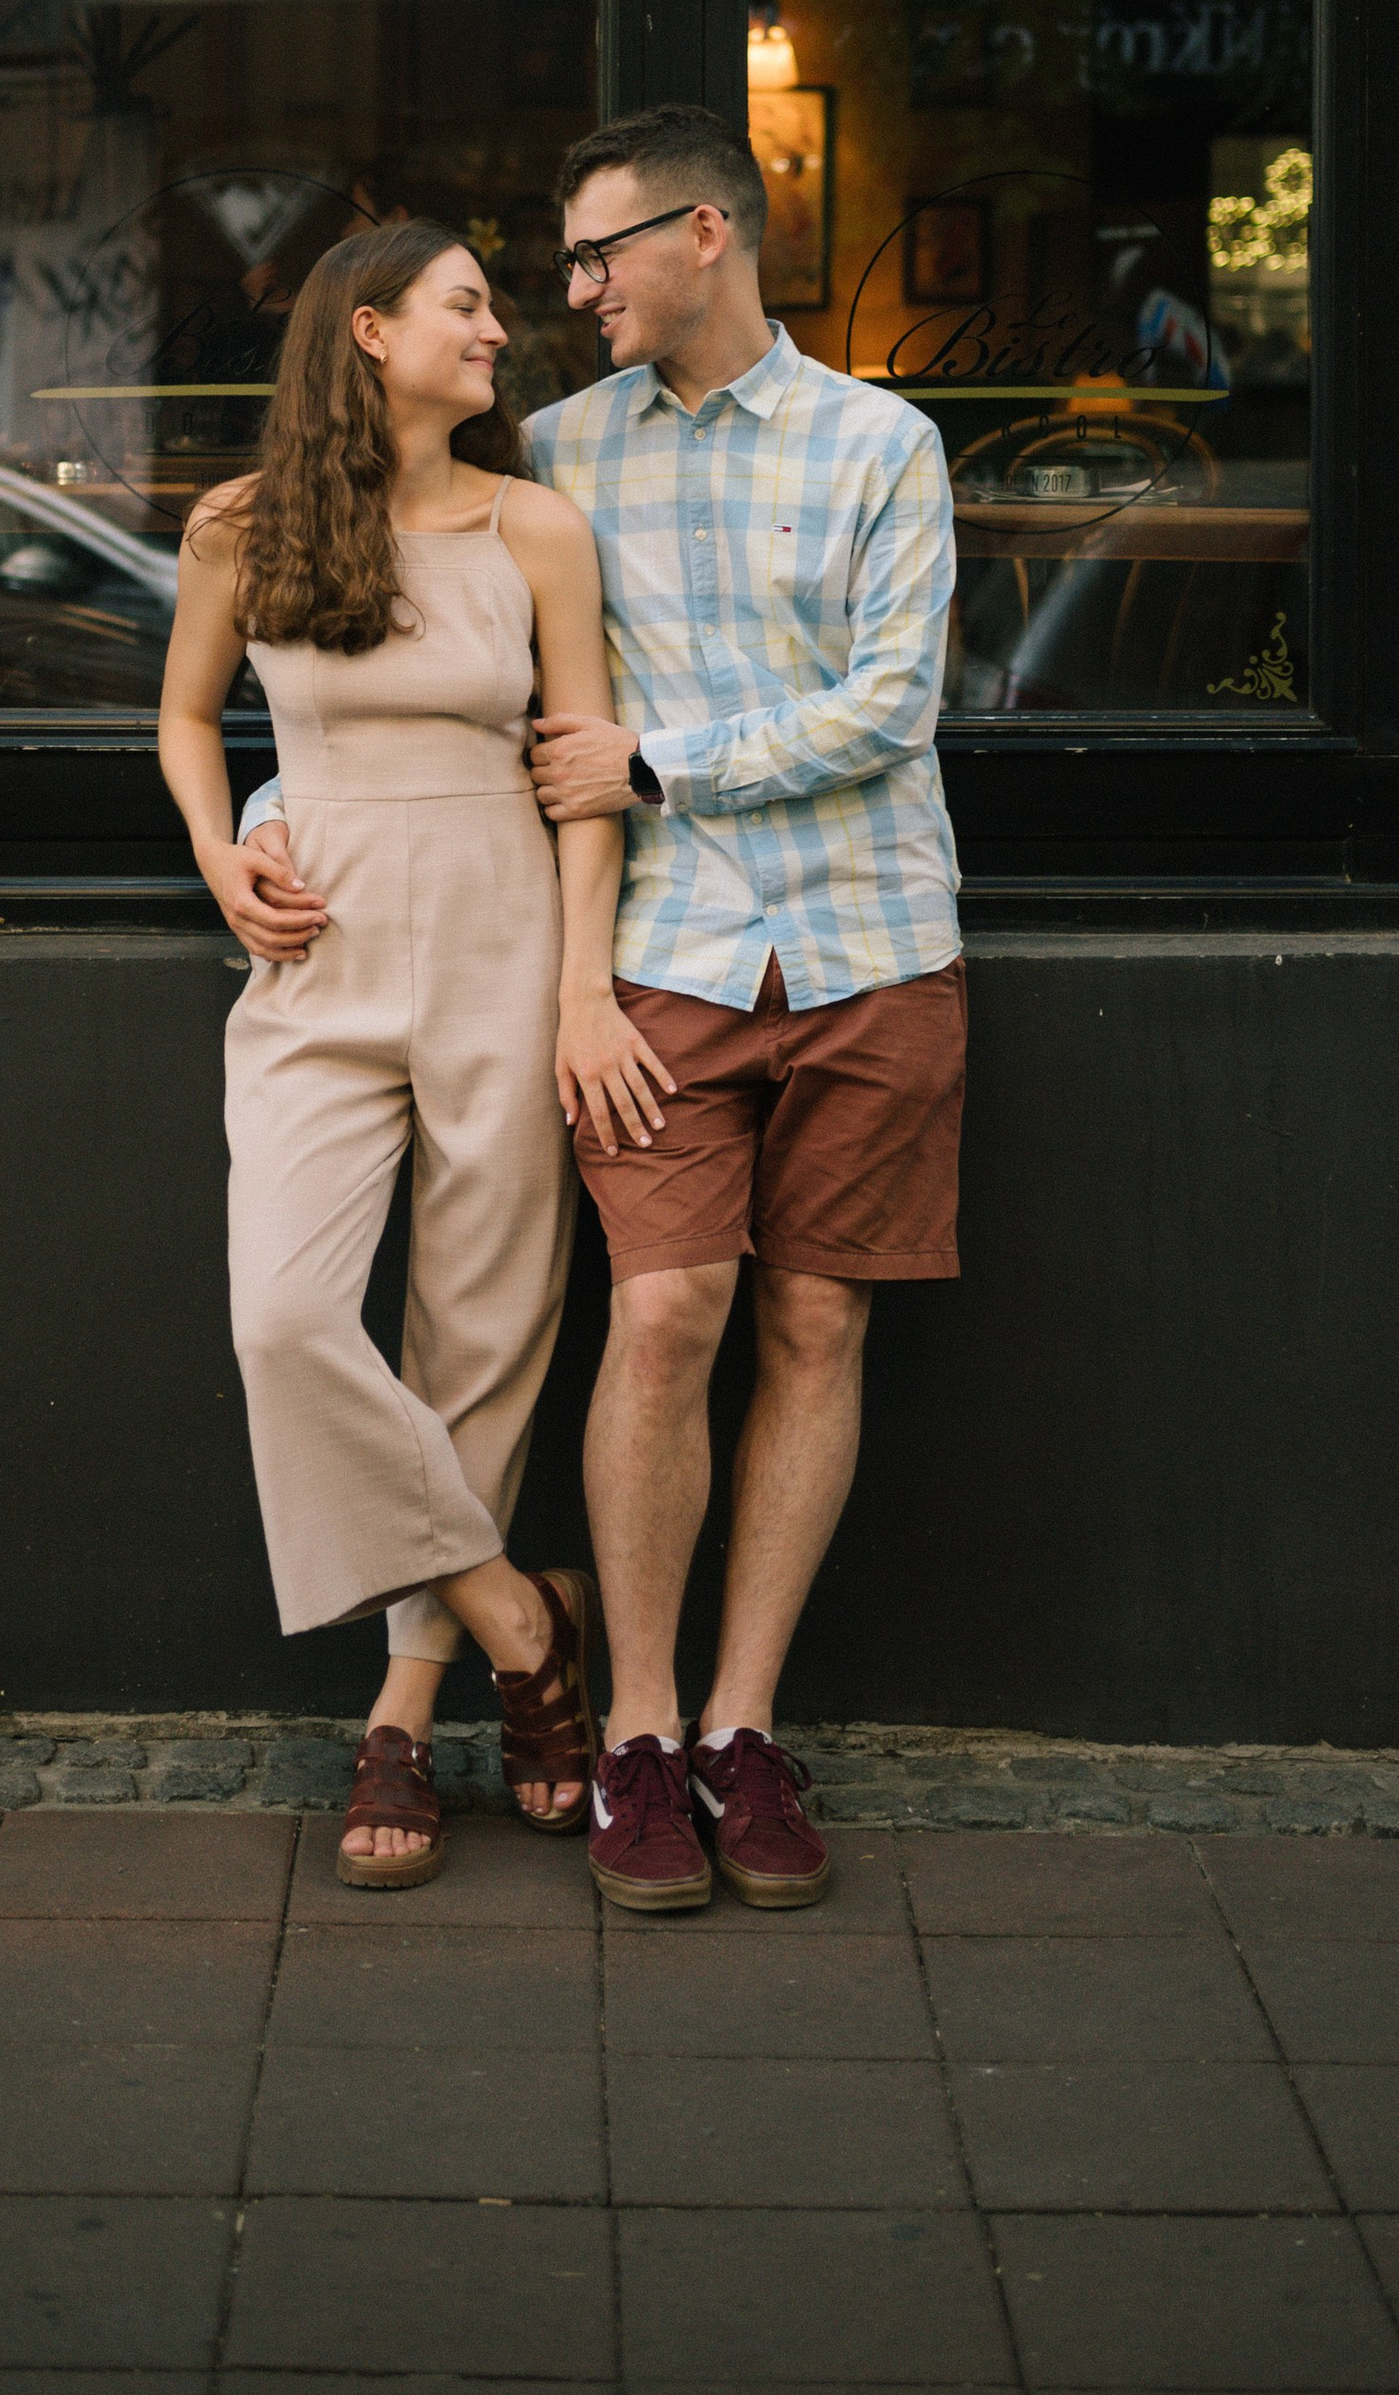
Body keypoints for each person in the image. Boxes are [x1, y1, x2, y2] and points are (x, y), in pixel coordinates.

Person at [157, 220, 675, 1889]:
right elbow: (185, 717)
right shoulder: (241, 526)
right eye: (468, 304)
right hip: (317, 957)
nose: (501, 328)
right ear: (369, 332)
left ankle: (401, 1713)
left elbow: (585, 777)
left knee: (481, 1342)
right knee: (288, 1317)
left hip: (501, 945)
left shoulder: (537, 528)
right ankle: (524, 1616)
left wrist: (584, 987)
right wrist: (215, 851)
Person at [526, 104, 965, 1913]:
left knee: (821, 1330)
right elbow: (466, 674)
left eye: (599, 252)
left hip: (874, 944)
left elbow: (890, 706)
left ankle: (741, 1729)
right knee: (665, 1315)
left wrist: (658, 761)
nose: (573, 289)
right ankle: (635, 1735)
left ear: (707, 234)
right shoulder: (553, 453)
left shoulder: (884, 442)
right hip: (666, 965)